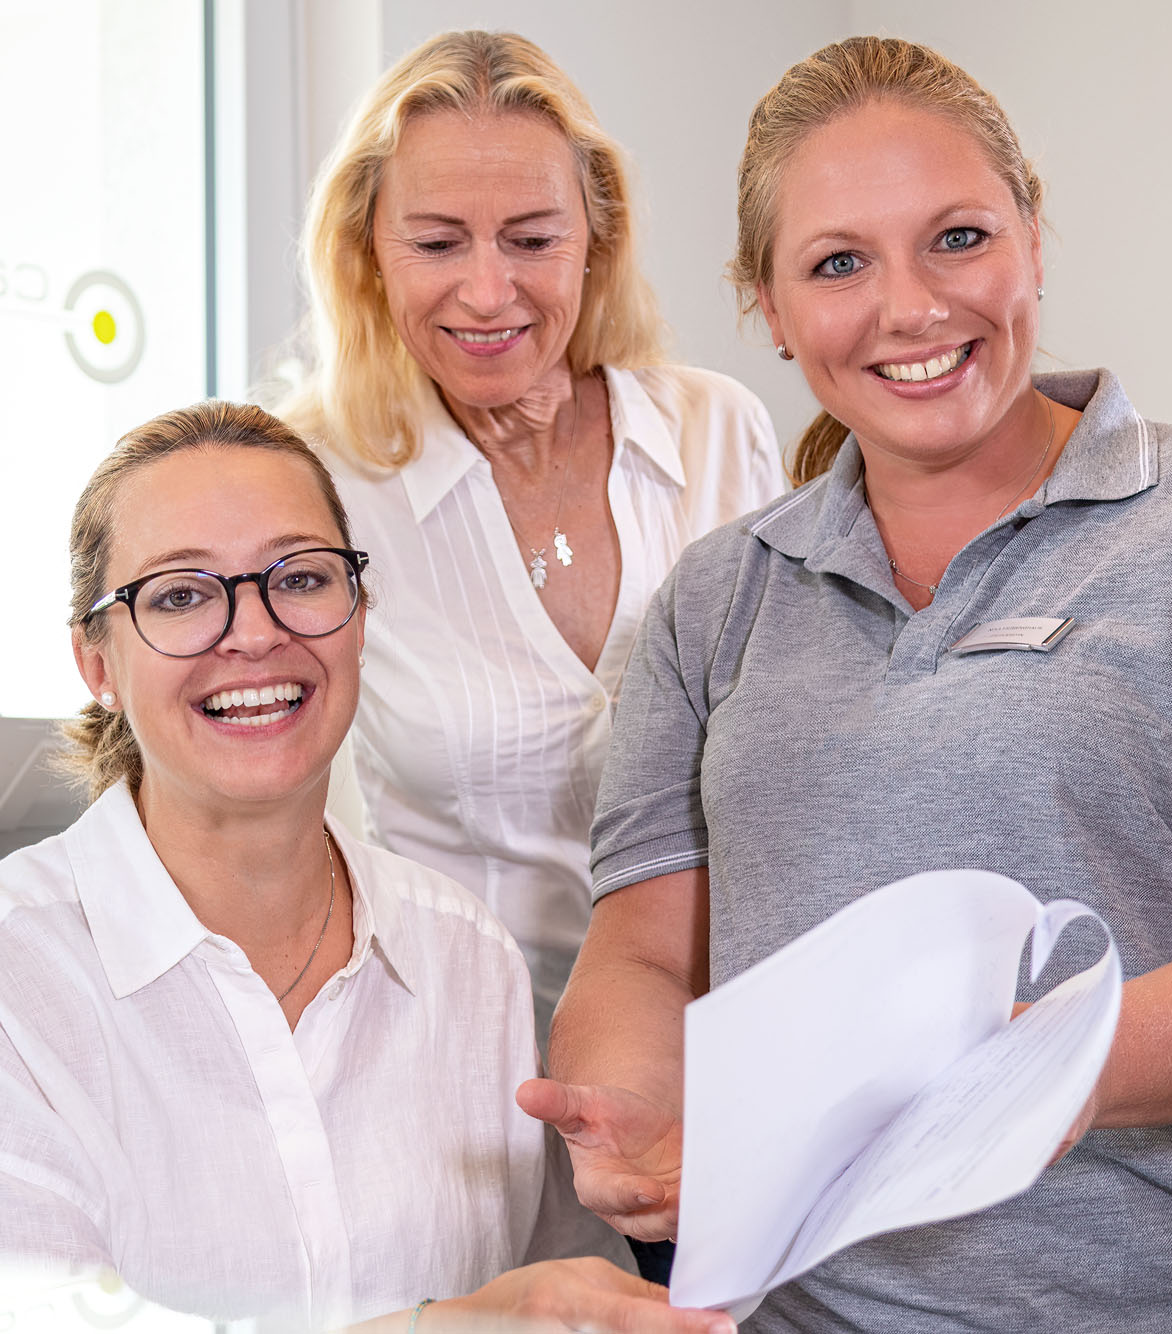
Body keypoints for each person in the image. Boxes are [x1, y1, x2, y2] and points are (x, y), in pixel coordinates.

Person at [520, 35, 1172, 1333]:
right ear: (768, 307)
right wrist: (630, 1097)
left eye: (957, 238)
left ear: (1034, 238)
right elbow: (645, 946)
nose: (912, 307)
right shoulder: (716, 602)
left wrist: (1040, 1070)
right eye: (839, 262)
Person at [0, 401, 737, 1334]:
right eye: (181, 594)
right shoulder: (20, 981)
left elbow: (558, 1298)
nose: (254, 631)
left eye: (300, 577)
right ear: (95, 662)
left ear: (357, 613)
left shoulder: (466, 951)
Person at [280, 29, 784, 1050]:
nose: (487, 290)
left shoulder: (716, 426)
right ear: (366, 252)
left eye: (531, 237)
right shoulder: (311, 481)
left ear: (595, 236)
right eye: (436, 243)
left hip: (724, 1048)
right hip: (457, 1065)